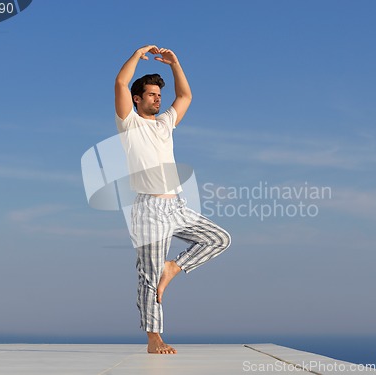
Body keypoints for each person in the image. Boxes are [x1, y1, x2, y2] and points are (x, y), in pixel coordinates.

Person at [114, 45, 231, 354]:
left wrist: (175, 63)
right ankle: (155, 339)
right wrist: (136, 55)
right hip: (149, 210)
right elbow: (120, 84)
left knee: (219, 239)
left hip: (176, 206)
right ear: (137, 99)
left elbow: (185, 97)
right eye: (151, 94)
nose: (157, 98)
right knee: (148, 277)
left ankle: (174, 268)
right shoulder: (129, 123)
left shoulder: (165, 123)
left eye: (158, 95)